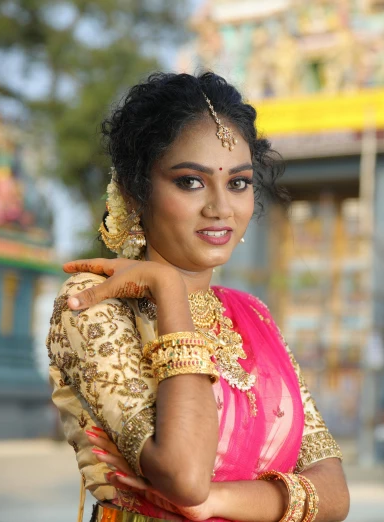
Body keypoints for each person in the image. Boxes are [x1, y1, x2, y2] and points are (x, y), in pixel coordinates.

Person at [46, 72, 350, 522]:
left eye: (239, 183)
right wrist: (168, 288)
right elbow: (185, 476)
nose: (220, 207)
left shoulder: (253, 316)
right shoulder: (93, 302)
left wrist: (220, 501)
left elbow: (336, 492)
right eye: (191, 181)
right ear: (136, 191)